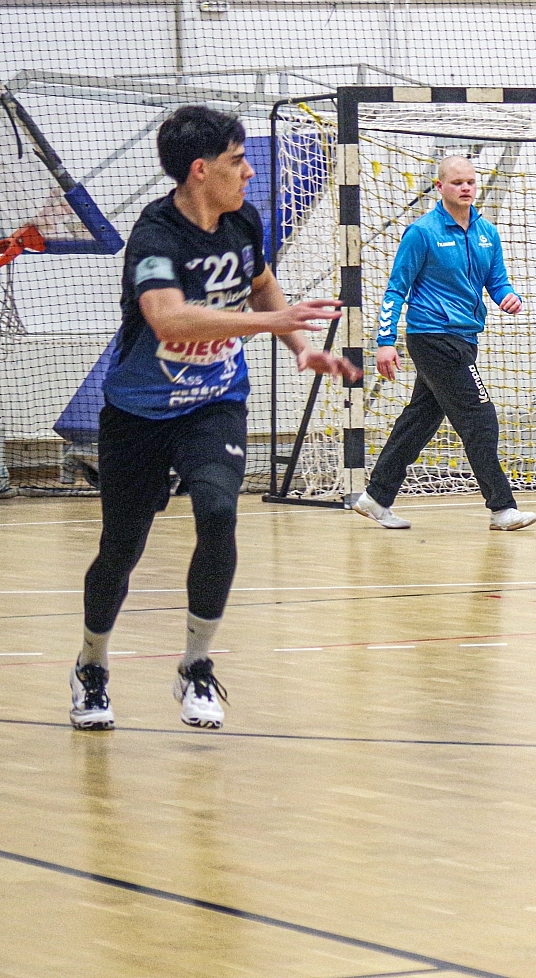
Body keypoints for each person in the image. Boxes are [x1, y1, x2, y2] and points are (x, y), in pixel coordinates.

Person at [71, 105, 359, 731]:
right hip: (139, 415)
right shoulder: (155, 236)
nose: (250, 172)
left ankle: (195, 665)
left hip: (215, 402)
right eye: (237, 160)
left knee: (220, 513)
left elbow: (261, 283)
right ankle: (92, 665)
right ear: (200, 170)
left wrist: (301, 346)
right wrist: (272, 322)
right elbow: (168, 318)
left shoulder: (243, 220)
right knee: (120, 549)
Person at [353, 156, 536, 532]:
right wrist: (385, 342)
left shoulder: (487, 232)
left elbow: (496, 280)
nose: (466, 188)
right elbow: (396, 289)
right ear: (440, 187)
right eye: (457, 182)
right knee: (480, 418)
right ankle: (502, 508)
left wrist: (508, 296)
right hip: (433, 337)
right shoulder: (422, 233)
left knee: (420, 420)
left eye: (470, 181)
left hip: (465, 337)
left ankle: (376, 497)